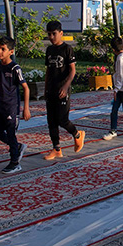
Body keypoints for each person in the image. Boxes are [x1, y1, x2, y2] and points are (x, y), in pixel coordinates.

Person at [0, 36, 30, 174]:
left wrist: (26, 108)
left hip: (11, 107)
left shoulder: (15, 68)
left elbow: (26, 88)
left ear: (11, 52)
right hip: (0, 105)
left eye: (3, 49)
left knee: (11, 133)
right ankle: (17, 146)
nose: (0, 52)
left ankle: (15, 162)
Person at [43, 21, 85, 160]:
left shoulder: (67, 49)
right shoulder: (49, 50)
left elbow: (72, 71)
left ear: (61, 33)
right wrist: (45, 88)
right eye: (49, 34)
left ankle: (77, 134)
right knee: (51, 121)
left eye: (54, 34)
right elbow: (48, 70)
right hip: (51, 90)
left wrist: (66, 86)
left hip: (62, 89)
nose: (51, 37)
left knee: (62, 119)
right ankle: (56, 149)